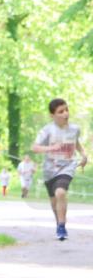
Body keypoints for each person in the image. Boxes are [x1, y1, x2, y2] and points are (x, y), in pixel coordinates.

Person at [31, 98, 88, 240]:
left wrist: (83, 154)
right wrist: (51, 147)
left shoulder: (75, 128)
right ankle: (59, 223)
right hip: (50, 170)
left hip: (67, 166)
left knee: (61, 192)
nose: (65, 114)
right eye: (60, 112)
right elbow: (35, 147)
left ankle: (62, 227)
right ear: (52, 115)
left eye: (66, 110)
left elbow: (76, 142)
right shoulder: (47, 130)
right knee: (53, 201)